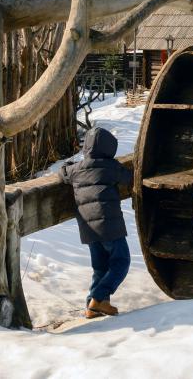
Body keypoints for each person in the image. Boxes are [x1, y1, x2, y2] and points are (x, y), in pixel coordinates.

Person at [58, 127, 133, 318]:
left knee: (100, 267)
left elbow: (63, 172)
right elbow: (129, 178)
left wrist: (67, 163)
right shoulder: (110, 167)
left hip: (88, 228)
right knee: (121, 262)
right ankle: (98, 298)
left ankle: (92, 308)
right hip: (109, 225)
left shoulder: (76, 170)